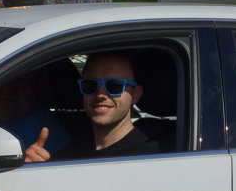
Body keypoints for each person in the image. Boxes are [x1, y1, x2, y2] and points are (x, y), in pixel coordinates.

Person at [24, 51, 160, 162]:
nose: (100, 94)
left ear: (135, 94)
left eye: (115, 86)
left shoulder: (152, 158)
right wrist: (34, 171)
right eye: (90, 85)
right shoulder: (68, 154)